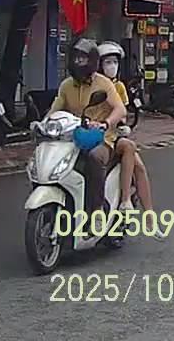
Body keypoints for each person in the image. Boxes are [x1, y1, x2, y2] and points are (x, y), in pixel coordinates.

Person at [46, 38, 124, 215]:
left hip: (100, 138)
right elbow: (55, 109)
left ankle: (97, 209)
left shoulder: (104, 84)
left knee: (95, 157)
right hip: (71, 138)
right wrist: (42, 124)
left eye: (82, 59)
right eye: (76, 58)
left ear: (93, 60)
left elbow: (120, 109)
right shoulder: (66, 85)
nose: (78, 62)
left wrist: (105, 123)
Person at [98, 42, 159, 219]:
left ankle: (143, 213)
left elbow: (122, 112)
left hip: (113, 135)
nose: (112, 66)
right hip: (94, 136)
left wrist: (121, 125)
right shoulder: (93, 85)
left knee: (139, 167)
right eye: (107, 62)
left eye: (115, 62)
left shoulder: (119, 87)